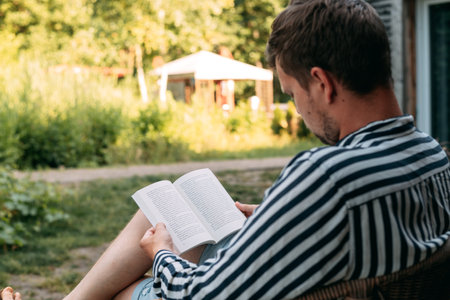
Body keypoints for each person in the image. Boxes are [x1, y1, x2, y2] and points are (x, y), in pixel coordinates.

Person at [63, 0, 450, 299]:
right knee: (170, 205)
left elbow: (202, 295)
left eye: (292, 94)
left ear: (322, 83)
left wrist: (161, 254)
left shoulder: (327, 176)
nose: (299, 111)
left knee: (126, 290)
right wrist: (275, 217)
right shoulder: (431, 155)